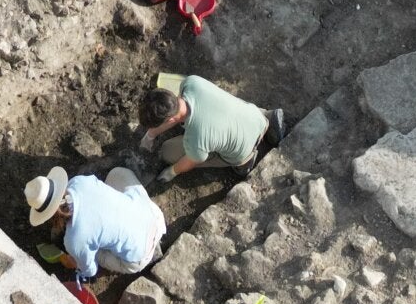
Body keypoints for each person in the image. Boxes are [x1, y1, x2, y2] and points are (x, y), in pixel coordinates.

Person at [25, 165, 164, 284]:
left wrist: (74, 262)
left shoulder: (73, 241)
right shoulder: (78, 181)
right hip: (152, 214)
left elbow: (90, 271)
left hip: (141, 254)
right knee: (117, 174)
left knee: (96, 254)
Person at [138, 72, 282, 182]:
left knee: (167, 152)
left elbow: (192, 161)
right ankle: (268, 117)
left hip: (242, 151)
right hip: (254, 117)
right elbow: (177, 111)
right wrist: (150, 135)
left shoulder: (196, 139)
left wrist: (172, 172)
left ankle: (246, 162)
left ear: (171, 119)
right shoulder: (191, 83)